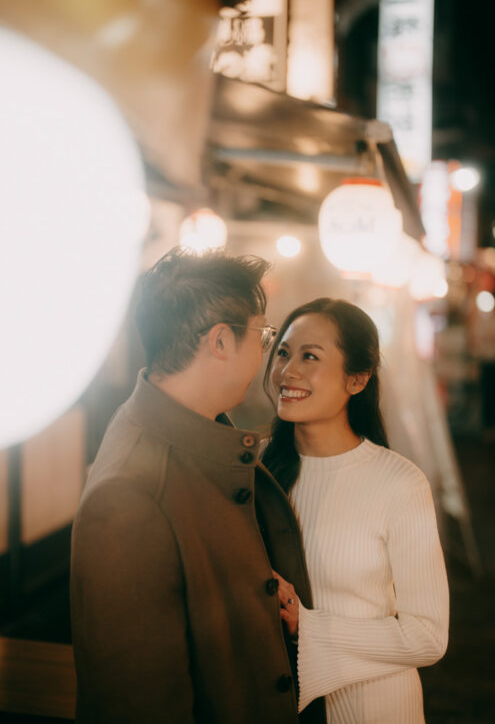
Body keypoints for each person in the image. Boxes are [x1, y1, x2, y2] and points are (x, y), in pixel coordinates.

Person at [70, 248, 326, 724]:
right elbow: (137, 701)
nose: (265, 353)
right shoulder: (128, 496)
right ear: (221, 341)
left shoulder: (186, 431)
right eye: (264, 335)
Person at [262, 297, 449, 724]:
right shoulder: (258, 472)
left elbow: (428, 636)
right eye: (284, 353)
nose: (288, 372)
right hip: (277, 702)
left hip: (375, 708)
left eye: (310, 356)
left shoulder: (398, 483)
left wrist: (308, 629)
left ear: (357, 380)